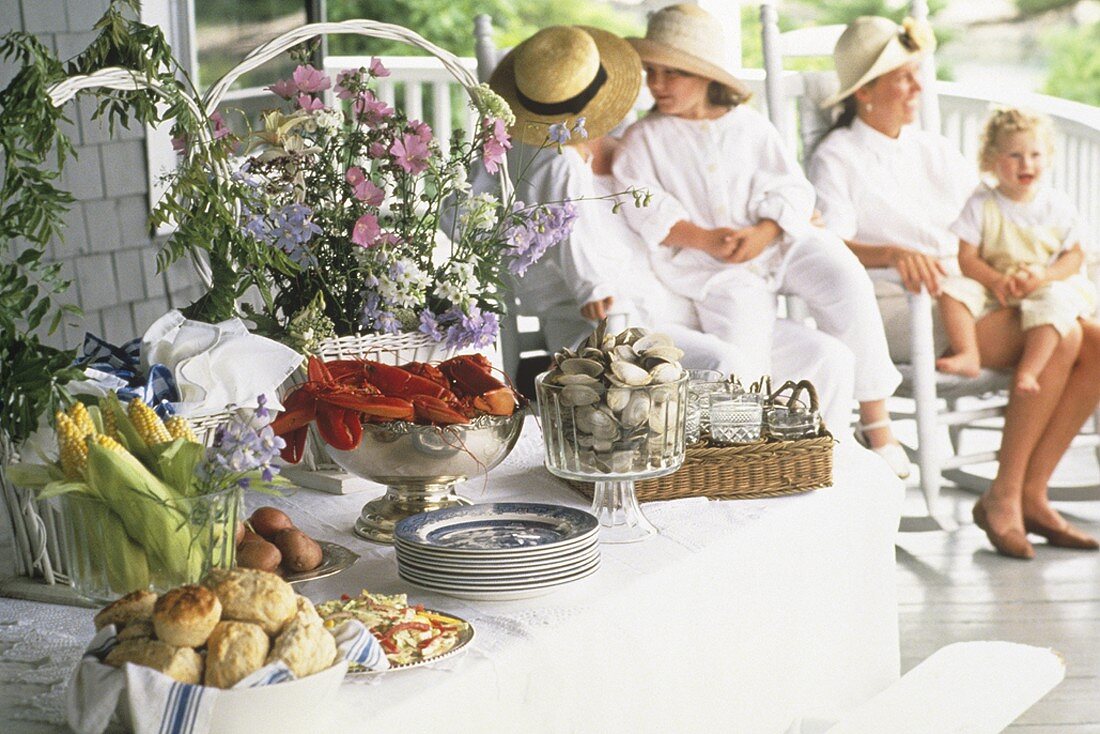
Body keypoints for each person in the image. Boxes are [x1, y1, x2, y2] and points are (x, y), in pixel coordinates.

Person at [465, 24, 857, 431]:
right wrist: (590, 289)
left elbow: (708, 195)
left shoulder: (633, 148)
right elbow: (559, 244)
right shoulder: (552, 166)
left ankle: (815, 469)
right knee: (728, 364)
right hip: (612, 330)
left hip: (683, 306)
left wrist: (784, 217)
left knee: (828, 356)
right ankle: (731, 480)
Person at [808, 16, 1100, 558]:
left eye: (917, 73)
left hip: (968, 292)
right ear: (866, 91)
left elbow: (988, 215)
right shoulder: (838, 157)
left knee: (1097, 342)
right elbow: (827, 244)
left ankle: (1029, 494)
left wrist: (1019, 266)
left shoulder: (932, 148)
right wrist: (894, 252)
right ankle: (1007, 496)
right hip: (899, 303)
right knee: (1063, 337)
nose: (919, 86)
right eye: (904, 76)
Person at [611, 4, 907, 475]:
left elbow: (790, 186)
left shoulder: (749, 125)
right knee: (746, 347)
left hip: (778, 240)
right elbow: (641, 202)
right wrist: (705, 239)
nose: (658, 84)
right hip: (714, 269)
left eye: (673, 73)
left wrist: (766, 230)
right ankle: (761, 460)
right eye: (651, 72)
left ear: (706, 76)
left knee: (842, 273)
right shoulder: (645, 139)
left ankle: (877, 424)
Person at [937, 108, 1096, 394]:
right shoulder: (981, 203)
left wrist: (1044, 276)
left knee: (1056, 303)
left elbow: (1074, 256)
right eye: (1014, 155)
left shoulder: (1055, 205)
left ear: (1048, 158)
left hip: (1041, 282)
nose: (1026, 164)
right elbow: (967, 258)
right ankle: (968, 353)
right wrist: (994, 280)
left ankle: (1029, 370)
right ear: (991, 159)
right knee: (952, 291)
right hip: (995, 284)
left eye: (1035, 155)